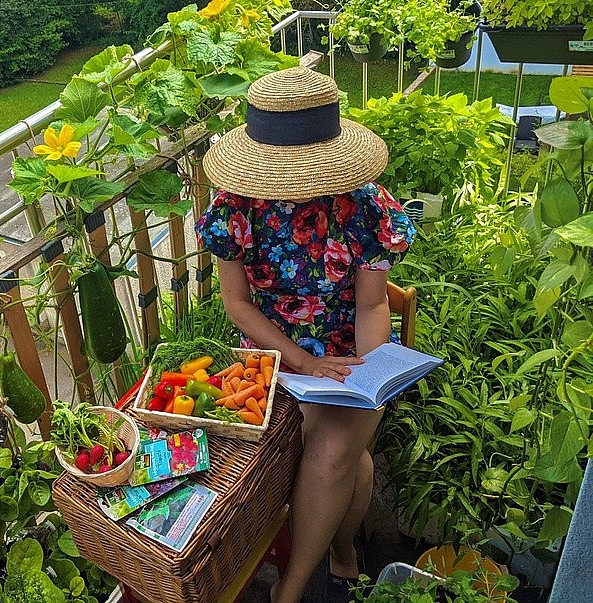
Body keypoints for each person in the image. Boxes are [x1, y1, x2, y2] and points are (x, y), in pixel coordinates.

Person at [195, 66, 415, 603]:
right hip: (271, 354)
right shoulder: (234, 207)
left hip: (350, 350)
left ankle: (289, 589)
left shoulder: (368, 206)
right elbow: (237, 304)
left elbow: (370, 304)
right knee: (349, 463)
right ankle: (342, 552)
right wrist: (300, 360)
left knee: (335, 453)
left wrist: (373, 372)